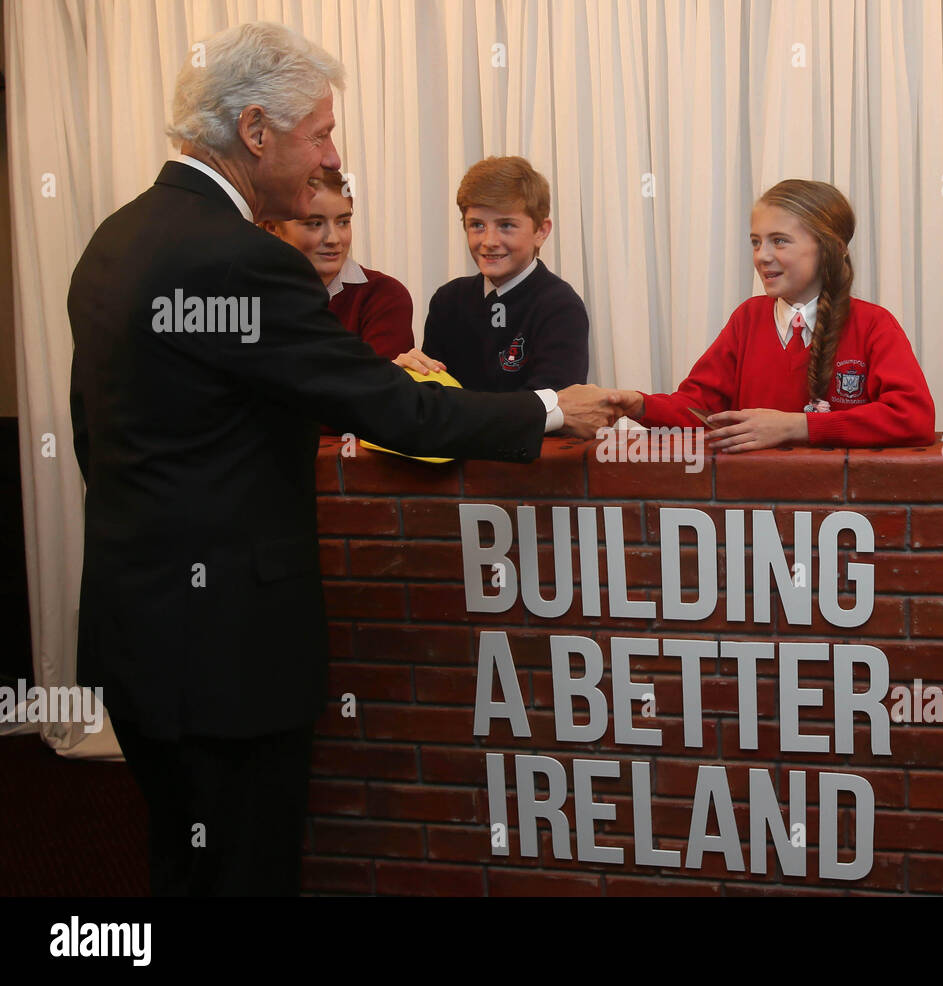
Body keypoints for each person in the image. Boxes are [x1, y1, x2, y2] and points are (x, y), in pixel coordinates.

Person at [66, 21, 617, 897]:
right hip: (229, 652)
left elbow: (92, 433)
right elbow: (390, 406)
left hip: (135, 630)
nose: (331, 152)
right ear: (256, 131)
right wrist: (549, 406)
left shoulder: (113, 241)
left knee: (180, 857)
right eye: (320, 131)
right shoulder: (243, 260)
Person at [613, 179, 934, 451]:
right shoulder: (747, 319)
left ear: (830, 247)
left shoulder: (872, 325)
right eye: (756, 242)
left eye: (779, 241)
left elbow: (913, 418)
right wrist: (635, 403)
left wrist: (798, 427)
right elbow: (696, 410)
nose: (762, 256)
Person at [421, 156, 589, 391]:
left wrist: (456, 409)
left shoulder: (560, 306)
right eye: (477, 225)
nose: (489, 241)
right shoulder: (448, 300)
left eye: (506, 225)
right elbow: (430, 399)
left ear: (541, 231)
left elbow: (547, 410)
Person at [261, 167, 414, 360]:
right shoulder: (248, 295)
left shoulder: (383, 295)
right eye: (315, 223)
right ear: (272, 228)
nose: (333, 239)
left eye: (343, 222)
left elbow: (382, 385)